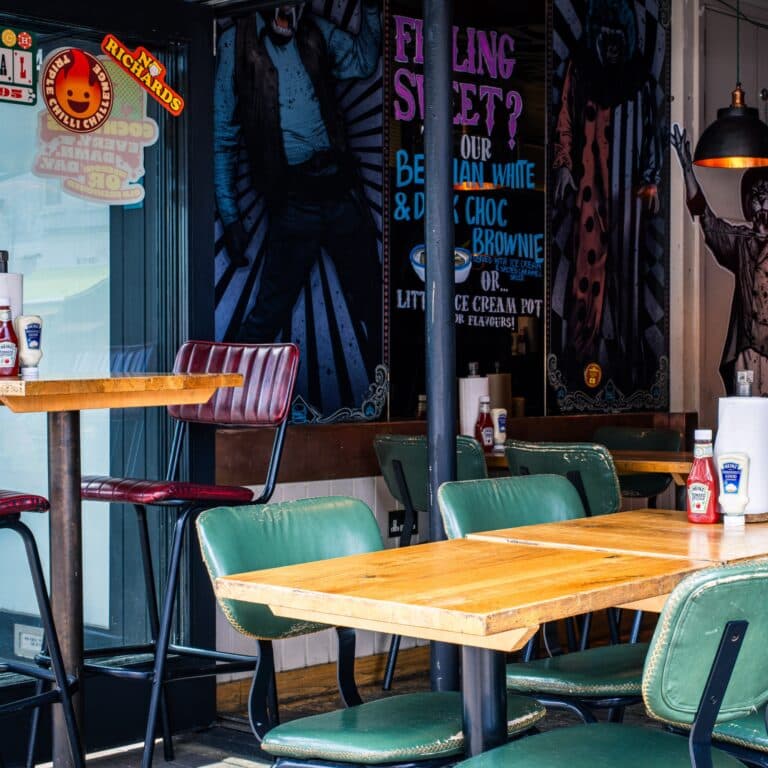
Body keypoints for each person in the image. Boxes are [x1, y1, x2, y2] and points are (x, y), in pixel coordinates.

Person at [214, 1, 382, 380]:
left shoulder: (315, 30)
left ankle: (390, 398)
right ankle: (228, 397)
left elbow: (363, 61)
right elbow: (223, 134)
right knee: (270, 310)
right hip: (294, 197)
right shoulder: (235, 43)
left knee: (373, 301)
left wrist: (373, 10)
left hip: (337, 187)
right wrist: (231, 216)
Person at [551, 0, 662, 392]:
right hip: (590, 188)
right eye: (607, 39)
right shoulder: (581, 70)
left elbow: (651, 132)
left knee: (628, 281)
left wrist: (651, 179)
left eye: (619, 39)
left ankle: (632, 369)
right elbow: (565, 115)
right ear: (597, 37)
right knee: (586, 274)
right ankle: (580, 363)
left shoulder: (640, 82)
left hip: (627, 194)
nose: (613, 47)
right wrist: (564, 163)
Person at [672, 123, 768, 393]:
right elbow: (707, 221)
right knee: (743, 412)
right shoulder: (741, 243)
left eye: (766, 193)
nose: (761, 200)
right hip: (746, 354)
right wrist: (688, 170)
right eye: (756, 194)